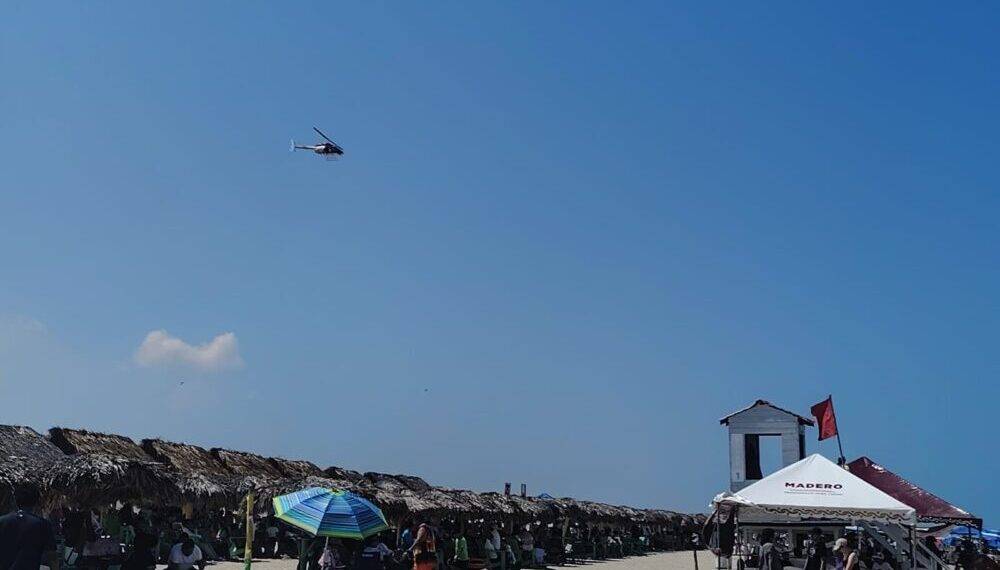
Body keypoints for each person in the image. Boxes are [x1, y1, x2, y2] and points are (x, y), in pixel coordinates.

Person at [0, 486, 59, 570]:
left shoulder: (2, 521)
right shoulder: (43, 524)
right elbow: (52, 557)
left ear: (16, 500)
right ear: (36, 501)